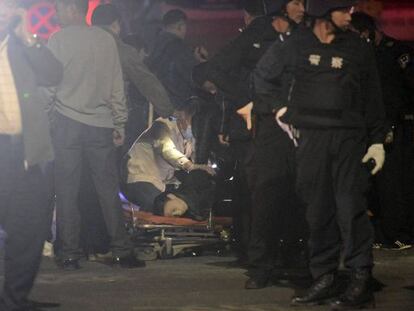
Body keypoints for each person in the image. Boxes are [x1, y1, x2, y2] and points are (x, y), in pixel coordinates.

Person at [257, 0, 386, 308]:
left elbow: (372, 96)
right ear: (325, 12)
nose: (349, 15)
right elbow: (263, 77)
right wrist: (280, 109)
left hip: (348, 137)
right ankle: (324, 276)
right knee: (317, 208)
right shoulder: (296, 43)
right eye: (343, 9)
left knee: (350, 205)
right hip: (311, 137)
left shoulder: (357, 46)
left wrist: (378, 140)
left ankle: (359, 277)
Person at [210, 0, 306, 288]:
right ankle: (262, 264)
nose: (301, 8)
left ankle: (294, 258)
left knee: (298, 196)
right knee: (265, 196)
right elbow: (216, 68)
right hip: (266, 128)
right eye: (295, 3)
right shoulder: (260, 31)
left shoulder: (308, 33)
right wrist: (247, 101)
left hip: (301, 126)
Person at [43, 0, 143, 270]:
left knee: (66, 191)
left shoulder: (58, 40)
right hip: (101, 123)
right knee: (108, 190)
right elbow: (115, 85)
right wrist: (119, 122)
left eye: (60, 9)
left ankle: (70, 253)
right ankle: (122, 251)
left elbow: (49, 86)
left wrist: (46, 116)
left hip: (66, 123)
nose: (56, 14)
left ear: (72, 9)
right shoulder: (105, 40)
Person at [0, 1, 63, 309]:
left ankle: (13, 299)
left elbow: (54, 74)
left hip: (23, 152)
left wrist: (29, 37)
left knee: (29, 228)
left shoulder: (23, 45)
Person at [351, 12, 413, 250]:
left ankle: (398, 233)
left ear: (366, 33)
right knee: (378, 184)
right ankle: (384, 231)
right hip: (373, 128)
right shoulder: (366, 55)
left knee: (394, 184)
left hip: (398, 127)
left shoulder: (395, 52)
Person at [91, 3, 175, 150]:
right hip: (110, 121)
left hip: (74, 121)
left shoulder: (77, 46)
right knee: (112, 166)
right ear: (116, 24)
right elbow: (147, 82)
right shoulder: (121, 50)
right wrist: (168, 112)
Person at [124, 100, 215, 214]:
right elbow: (167, 149)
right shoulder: (162, 125)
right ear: (183, 116)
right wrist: (191, 166)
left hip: (160, 184)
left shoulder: (189, 138)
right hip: (139, 179)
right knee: (161, 208)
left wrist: (207, 168)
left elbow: (199, 159)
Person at [146, 9, 207, 109]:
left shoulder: (154, 46)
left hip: (159, 107)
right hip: (180, 108)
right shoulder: (180, 48)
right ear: (180, 26)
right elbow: (196, 79)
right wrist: (201, 62)